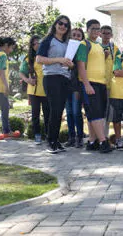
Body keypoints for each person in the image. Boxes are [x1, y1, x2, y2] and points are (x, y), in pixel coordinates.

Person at [36, 16, 74, 154]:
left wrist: (70, 64)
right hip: (51, 78)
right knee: (54, 110)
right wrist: (59, 60)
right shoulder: (48, 40)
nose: (63, 26)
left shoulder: (68, 43)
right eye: (60, 23)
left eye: (66, 24)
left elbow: (70, 62)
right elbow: (39, 59)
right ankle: (50, 141)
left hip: (64, 78)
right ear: (55, 24)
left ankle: (56, 140)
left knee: (59, 111)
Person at [76, 19, 111, 153]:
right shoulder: (83, 44)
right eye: (93, 28)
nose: (96, 31)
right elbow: (80, 65)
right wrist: (86, 84)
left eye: (98, 29)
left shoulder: (99, 46)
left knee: (95, 114)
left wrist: (105, 55)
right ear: (87, 30)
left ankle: (92, 141)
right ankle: (103, 141)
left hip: (101, 83)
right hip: (90, 83)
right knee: (95, 113)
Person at [0, 37, 20, 141]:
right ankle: (6, 132)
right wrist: (6, 86)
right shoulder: (2, 55)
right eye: (12, 48)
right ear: (6, 45)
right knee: (5, 109)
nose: (12, 50)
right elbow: (1, 72)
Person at [20, 35, 48, 145]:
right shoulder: (28, 59)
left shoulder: (47, 56)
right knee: (35, 115)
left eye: (40, 43)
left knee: (48, 115)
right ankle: (37, 136)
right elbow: (21, 73)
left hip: (46, 90)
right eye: (36, 43)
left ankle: (48, 135)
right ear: (32, 46)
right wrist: (27, 80)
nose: (39, 45)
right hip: (34, 91)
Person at [64, 28, 85, 148]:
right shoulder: (66, 50)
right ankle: (71, 137)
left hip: (77, 86)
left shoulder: (82, 50)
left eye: (79, 36)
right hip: (66, 86)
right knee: (69, 112)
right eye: (74, 35)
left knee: (77, 112)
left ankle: (80, 137)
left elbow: (81, 71)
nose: (76, 37)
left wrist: (73, 67)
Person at [100, 25, 119, 138]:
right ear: (100, 34)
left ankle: (105, 136)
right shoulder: (96, 46)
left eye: (108, 33)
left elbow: (118, 63)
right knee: (99, 111)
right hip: (98, 83)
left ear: (111, 35)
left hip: (111, 85)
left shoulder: (114, 48)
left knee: (108, 112)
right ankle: (98, 136)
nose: (106, 35)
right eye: (103, 33)